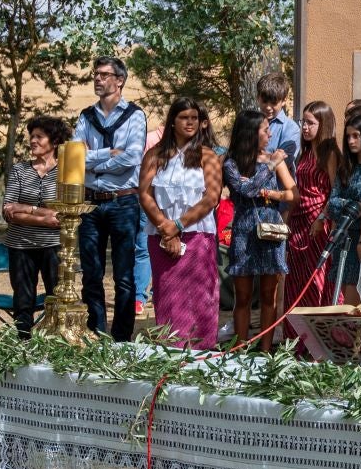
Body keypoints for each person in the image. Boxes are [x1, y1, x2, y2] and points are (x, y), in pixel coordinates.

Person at [141, 98, 224, 350]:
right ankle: (170, 353)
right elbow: (145, 193)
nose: (190, 123)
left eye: (194, 118)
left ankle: (201, 352)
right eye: (184, 118)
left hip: (197, 237)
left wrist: (178, 224)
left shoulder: (207, 156)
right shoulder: (155, 155)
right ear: (172, 122)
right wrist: (166, 228)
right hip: (161, 236)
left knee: (200, 297)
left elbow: (211, 197)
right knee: (168, 296)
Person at [74, 57, 146, 342]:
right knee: (91, 273)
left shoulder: (135, 116)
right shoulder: (85, 117)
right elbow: (76, 158)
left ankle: (121, 338)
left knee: (124, 276)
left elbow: (132, 157)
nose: (98, 79)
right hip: (90, 203)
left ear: (120, 80)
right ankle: (97, 333)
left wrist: (92, 161)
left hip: (123, 202)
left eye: (104, 74)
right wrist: (108, 154)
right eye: (96, 74)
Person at [223, 107, 294, 341]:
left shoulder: (274, 156)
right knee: (241, 297)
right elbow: (245, 190)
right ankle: (240, 349)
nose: (270, 134)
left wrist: (268, 193)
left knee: (268, 296)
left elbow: (293, 195)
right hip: (244, 232)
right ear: (252, 133)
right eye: (266, 130)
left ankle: (265, 351)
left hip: (271, 231)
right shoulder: (231, 163)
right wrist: (270, 168)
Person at [0, 115, 68, 336]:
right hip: (20, 245)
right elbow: (8, 211)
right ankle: (23, 344)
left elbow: (62, 217)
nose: (33, 140)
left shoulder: (65, 172)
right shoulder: (20, 170)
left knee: (56, 296)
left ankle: (56, 344)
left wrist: (24, 207)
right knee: (23, 300)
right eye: (31, 136)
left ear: (54, 141)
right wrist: (42, 214)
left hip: (53, 246)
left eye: (39, 136)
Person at [285, 100, 340, 313]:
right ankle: (295, 340)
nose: (305, 128)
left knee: (315, 280)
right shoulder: (304, 152)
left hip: (319, 222)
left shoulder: (331, 153)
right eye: (303, 122)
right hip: (299, 222)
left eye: (310, 123)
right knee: (296, 280)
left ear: (323, 124)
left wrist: (322, 218)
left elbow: (335, 190)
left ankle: (314, 339)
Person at [325, 121, 361, 304]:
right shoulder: (346, 167)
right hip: (344, 239)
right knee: (344, 300)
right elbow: (331, 204)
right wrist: (355, 206)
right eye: (348, 136)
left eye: (356, 136)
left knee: (355, 304)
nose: (351, 141)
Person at [260, 72, 303, 165]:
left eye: (273, 103)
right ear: (257, 98)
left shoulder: (291, 129)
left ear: (284, 100)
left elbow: (280, 163)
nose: (268, 107)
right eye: (264, 101)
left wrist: (255, 157)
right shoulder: (251, 122)